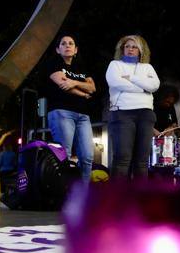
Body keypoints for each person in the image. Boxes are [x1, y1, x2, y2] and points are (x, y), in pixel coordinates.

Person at [43, 34, 96, 183]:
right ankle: (62, 192)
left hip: (83, 116)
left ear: (76, 49)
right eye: (63, 43)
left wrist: (73, 82)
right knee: (63, 154)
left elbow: (92, 88)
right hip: (62, 112)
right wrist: (82, 92)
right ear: (58, 49)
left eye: (71, 43)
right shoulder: (53, 63)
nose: (67, 46)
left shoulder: (82, 68)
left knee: (87, 156)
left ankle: (83, 195)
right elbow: (64, 86)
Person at [106, 34, 160, 179]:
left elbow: (154, 86)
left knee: (142, 161)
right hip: (122, 113)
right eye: (127, 46)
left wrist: (131, 78)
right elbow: (115, 83)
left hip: (146, 115)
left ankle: (140, 199)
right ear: (122, 49)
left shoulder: (147, 67)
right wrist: (143, 88)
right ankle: (117, 199)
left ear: (141, 50)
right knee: (122, 158)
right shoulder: (115, 65)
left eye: (134, 47)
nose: (130, 49)